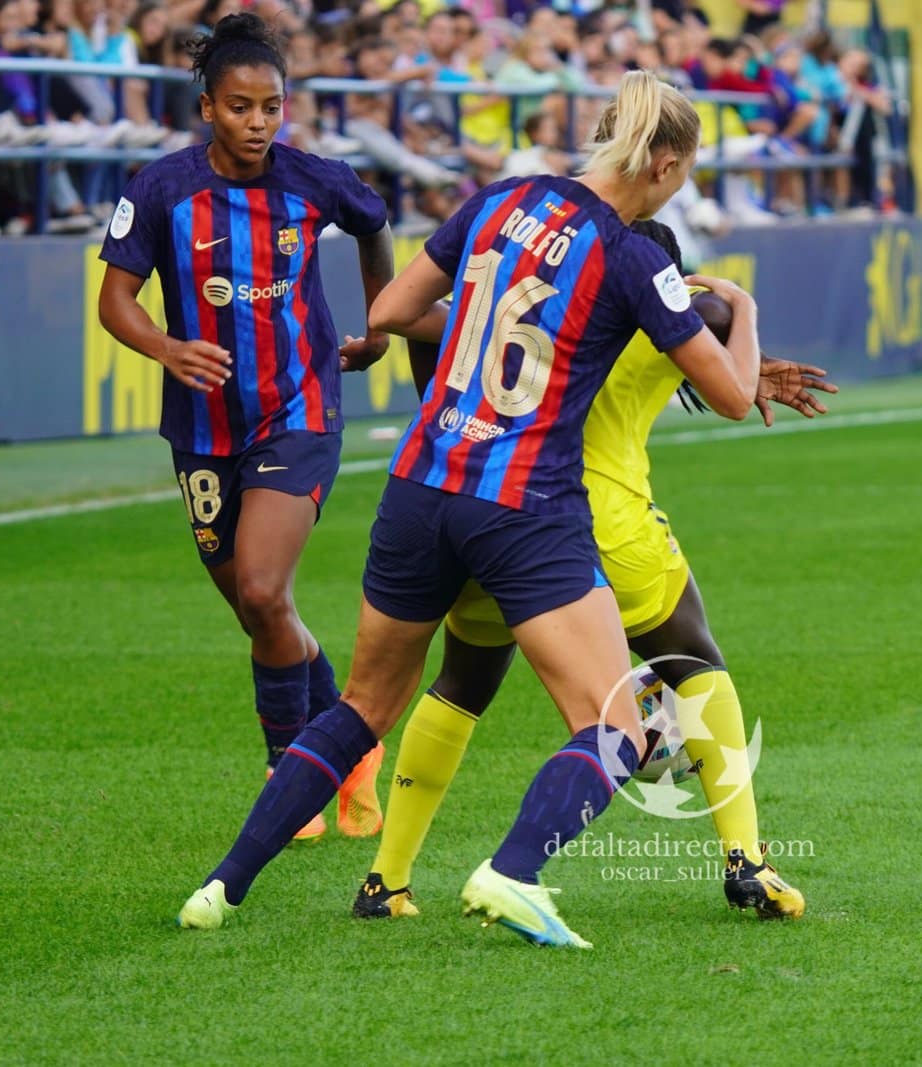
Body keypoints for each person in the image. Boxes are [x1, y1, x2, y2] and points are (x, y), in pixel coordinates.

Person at [175, 70, 761, 949]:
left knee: (365, 705)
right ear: (664, 164)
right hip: (521, 500)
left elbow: (390, 311)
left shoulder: (501, 198)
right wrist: (744, 308)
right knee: (618, 729)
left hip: (420, 484)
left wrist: (484, 330)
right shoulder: (633, 252)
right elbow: (731, 393)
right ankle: (513, 872)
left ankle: (222, 884)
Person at [351, 219, 833, 926]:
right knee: (693, 660)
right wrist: (742, 314)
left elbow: (434, 360)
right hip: (604, 525)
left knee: (462, 682)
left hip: (496, 512)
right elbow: (717, 317)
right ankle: (746, 861)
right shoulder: (678, 314)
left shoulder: (522, 319)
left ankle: (386, 879)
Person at [96, 13, 396, 844]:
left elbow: (374, 224)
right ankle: (351, 746)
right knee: (258, 613)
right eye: (240, 107)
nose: (258, 122)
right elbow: (114, 300)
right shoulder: (159, 189)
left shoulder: (316, 180)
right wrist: (166, 347)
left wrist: (380, 319)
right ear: (206, 107)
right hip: (199, 428)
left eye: (271, 106)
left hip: (300, 408)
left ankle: (287, 769)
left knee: (266, 589)